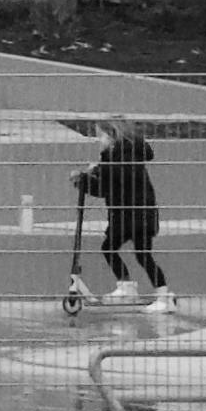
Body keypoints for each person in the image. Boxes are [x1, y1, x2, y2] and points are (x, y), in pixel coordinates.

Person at [71, 114, 173, 314]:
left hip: (134, 215)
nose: (97, 141)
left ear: (111, 136)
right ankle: (127, 287)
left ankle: (164, 296)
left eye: (100, 136)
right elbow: (111, 184)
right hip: (132, 213)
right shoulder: (121, 156)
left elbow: (110, 182)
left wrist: (87, 176)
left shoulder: (120, 157)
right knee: (113, 248)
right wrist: (91, 176)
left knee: (141, 254)